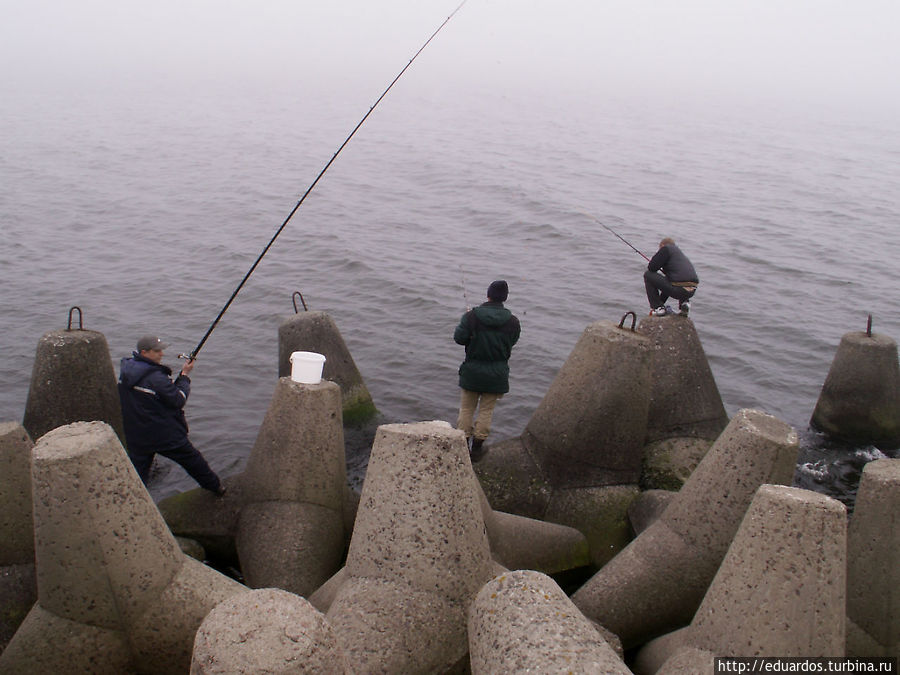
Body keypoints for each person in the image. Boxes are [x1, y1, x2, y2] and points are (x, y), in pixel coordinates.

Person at [118, 335, 225, 496]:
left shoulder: (127, 371)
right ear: (144, 352)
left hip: (136, 433)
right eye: (157, 351)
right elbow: (178, 399)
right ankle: (216, 488)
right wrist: (185, 376)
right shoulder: (156, 377)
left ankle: (132, 500)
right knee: (193, 460)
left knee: (137, 472)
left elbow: (153, 397)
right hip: (164, 435)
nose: (161, 354)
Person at [454, 280, 521, 462]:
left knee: (467, 409)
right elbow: (511, 342)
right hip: (497, 374)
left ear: (488, 294)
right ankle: (477, 450)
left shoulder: (472, 317)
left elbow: (459, 339)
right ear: (504, 298)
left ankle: (462, 445)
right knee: (486, 411)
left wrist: (468, 324)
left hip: (472, 371)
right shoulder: (513, 322)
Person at [644, 237, 699, 317]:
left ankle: (658, 308)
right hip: (691, 291)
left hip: (678, 289)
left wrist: (657, 306)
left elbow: (652, 268)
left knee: (648, 275)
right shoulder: (680, 255)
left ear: (662, 245)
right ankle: (684, 304)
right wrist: (661, 301)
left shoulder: (666, 249)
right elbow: (667, 284)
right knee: (678, 281)